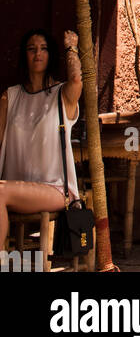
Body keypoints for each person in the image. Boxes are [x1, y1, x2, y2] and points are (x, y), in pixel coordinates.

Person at [0, 28, 82, 248]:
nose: (38, 53)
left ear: (51, 55)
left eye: (44, 49)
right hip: (14, 187)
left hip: (54, 189)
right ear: (24, 55)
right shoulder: (11, 96)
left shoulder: (61, 94)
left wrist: (71, 48)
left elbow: (76, 80)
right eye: (31, 49)